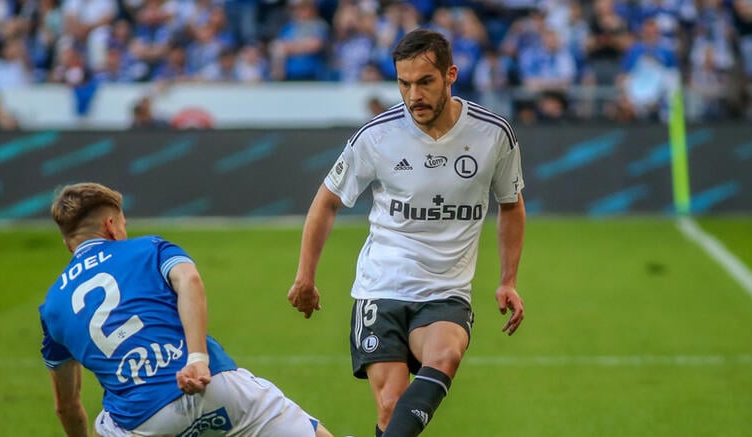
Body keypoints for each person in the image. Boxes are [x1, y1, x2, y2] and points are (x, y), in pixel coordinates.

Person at [287, 29, 526, 437]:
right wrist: (305, 277)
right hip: (382, 285)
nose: (413, 94)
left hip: (445, 290)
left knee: (446, 355)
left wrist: (508, 280)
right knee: (390, 407)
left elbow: (510, 205)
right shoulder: (377, 136)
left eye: (425, 82)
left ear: (451, 75)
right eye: (404, 83)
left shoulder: (493, 135)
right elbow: (326, 202)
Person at [41, 183, 334, 437]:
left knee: (103, 426)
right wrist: (197, 359)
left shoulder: (52, 306)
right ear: (110, 227)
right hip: (214, 386)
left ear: (69, 245)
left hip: (142, 421)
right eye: (123, 224)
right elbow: (189, 279)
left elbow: (66, 406)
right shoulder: (150, 248)